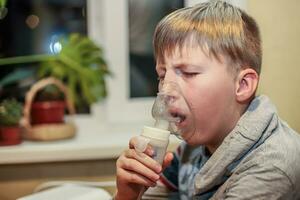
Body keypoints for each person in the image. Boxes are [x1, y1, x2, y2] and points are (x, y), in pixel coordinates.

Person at [115, 1, 300, 199]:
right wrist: (128, 194)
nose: (165, 91)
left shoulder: (272, 166)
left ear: (243, 85)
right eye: (162, 76)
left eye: (188, 73)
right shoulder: (190, 150)